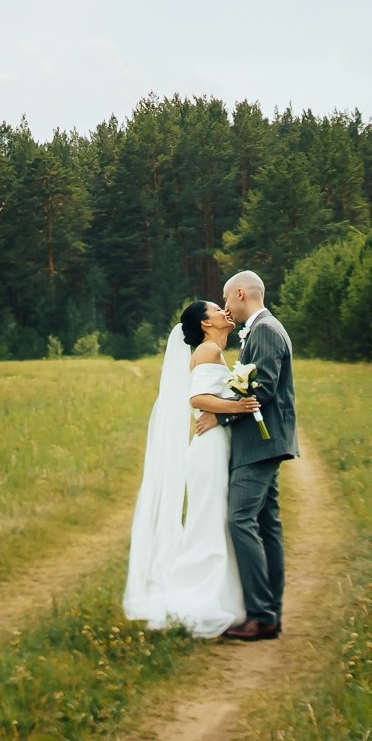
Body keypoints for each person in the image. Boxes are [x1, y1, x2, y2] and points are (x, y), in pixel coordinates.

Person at [121, 299, 259, 637]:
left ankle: (222, 596)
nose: (223, 311)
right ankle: (198, 599)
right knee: (208, 522)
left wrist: (224, 410)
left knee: (216, 521)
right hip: (209, 452)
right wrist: (238, 407)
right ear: (205, 324)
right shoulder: (208, 352)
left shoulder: (215, 350)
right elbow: (197, 399)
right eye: (215, 309)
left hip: (216, 448)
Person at [214, 270, 297, 641]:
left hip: (259, 445)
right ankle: (270, 614)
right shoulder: (267, 328)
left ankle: (262, 614)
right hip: (267, 442)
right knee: (267, 525)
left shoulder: (264, 330)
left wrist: (218, 412)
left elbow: (260, 390)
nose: (227, 307)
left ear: (242, 293)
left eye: (227, 298)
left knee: (239, 520)